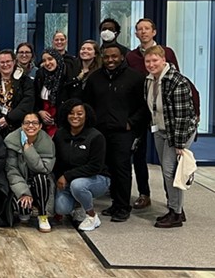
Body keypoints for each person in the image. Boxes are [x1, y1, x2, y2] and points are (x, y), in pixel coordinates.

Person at [83, 44, 148, 223]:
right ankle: (115, 203)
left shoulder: (135, 78)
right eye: (107, 57)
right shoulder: (95, 78)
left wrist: (131, 123)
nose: (110, 60)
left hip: (123, 132)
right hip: (100, 131)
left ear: (122, 57)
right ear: (102, 58)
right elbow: (87, 104)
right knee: (108, 168)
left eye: (114, 57)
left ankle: (123, 206)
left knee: (122, 169)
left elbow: (144, 106)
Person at [124, 17, 180, 210]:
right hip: (141, 110)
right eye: (139, 29)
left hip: (165, 114)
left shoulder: (166, 52)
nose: (143, 32)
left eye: (147, 29)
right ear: (136, 33)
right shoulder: (131, 57)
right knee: (138, 155)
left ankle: (172, 200)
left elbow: (180, 80)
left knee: (168, 163)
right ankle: (144, 193)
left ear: (154, 32)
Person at [144, 45, 197, 228]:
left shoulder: (177, 81)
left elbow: (183, 115)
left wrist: (179, 143)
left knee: (170, 171)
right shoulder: (150, 80)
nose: (151, 64)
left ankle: (176, 212)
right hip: (160, 130)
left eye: (155, 60)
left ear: (163, 60)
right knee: (168, 172)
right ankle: (175, 208)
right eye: (148, 61)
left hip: (178, 132)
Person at [53, 99, 110, 232]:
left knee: (78, 185)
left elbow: (95, 166)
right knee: (61, 208)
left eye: (79, 113)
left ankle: (92, 216)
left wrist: (67, 176)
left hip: (97, 178)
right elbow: (56, 161)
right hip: (68, 180)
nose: (75, 117)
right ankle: (78, 204)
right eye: (71, 113)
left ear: (86, 115)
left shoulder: (96, 136)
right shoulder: (60, 134)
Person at [4, 112, 56, 232]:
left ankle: (43, 215)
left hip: (41, 185)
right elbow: (12, 171)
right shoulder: (11, 140)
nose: (30, 126)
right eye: (27, 123)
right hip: (20, 183)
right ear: (22, 125)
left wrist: (28, 149)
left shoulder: (47, 142)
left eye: (35, 123)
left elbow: (45, 169)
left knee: (41, 178)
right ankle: (25, 209)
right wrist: (24, 192)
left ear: (40, 126)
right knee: (22, 211)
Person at [0, 50, 34, 137]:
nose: (5, 65)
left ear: (14, 62)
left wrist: (9, 119)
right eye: (2, 62)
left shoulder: (25, 80)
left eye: (8, 61)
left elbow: (27, 101)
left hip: (18, 127)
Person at [34, 48, 72, 137]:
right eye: (44, 60)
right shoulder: (40, 75)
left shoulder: (67, 76)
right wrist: (39, 112)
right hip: (42, 123)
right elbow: (34, 98)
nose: (47, 63)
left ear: (57, 59)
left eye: (50, 59)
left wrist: (55, 118)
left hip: (61, 123)